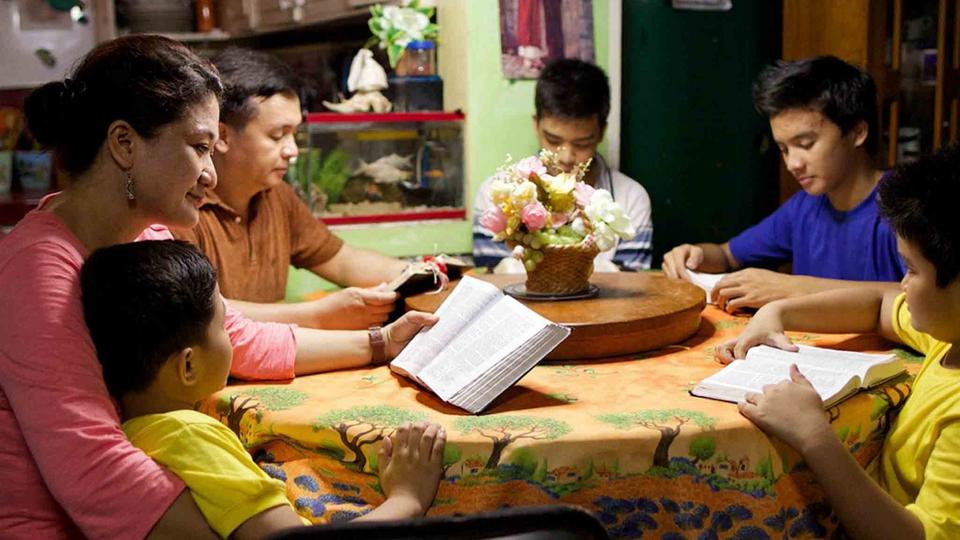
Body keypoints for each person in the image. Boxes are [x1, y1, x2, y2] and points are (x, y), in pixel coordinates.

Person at [0, 35, 435, 539]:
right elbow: (91, 461)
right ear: (124, 144)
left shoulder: (145, 230)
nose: (210, 173)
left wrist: (381, 344)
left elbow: (238, 336)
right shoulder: (37, 270)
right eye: (200, 148)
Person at [80, 240, 446, 539]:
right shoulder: (191, 437)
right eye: (224, 328)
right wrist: (407, 499)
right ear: (188, 366)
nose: (233, 339)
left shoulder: (136, 431)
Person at [717, 145, 960, 539]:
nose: (901, 284)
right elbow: (878, 304)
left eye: (911, 270)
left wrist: (814, 436)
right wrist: (779, 312)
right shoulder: (949, 338)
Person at [172, 47, 409, 331]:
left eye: (294, 134)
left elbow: (342, 260)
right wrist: (317, 314)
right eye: (277, 136)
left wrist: (417, 273)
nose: (292, 150)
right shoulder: (180, 208)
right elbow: (199, 312)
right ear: (221, 136)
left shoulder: (277, 196)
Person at [662, 56, 905, 311]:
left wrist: (794, 288)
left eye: (805, 144)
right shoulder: (804, 208)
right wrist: (695, 254)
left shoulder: (904, 207)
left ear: (857, 132)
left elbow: (923, 298)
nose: (792, 164)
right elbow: (726, 255)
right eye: (783, 149)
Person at [472, 58, 653, 272]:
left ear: (602, 132)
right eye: (553, 141)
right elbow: (491, 286)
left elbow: (632, 291)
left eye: (582, 143)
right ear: (536, 125)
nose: (566, 157)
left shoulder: (631, 200)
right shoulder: (496, 196)